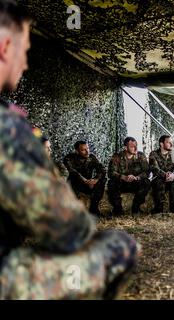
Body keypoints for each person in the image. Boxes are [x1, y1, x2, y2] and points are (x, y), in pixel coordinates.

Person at [0, 1, 139, 299]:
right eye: (24, 51)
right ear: (5, 47)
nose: (24, 64)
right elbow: (65, 227)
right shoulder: (8, 127)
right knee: (119, 247)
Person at [108, 137, 151, 216]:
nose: (135, 148)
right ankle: (118, 210)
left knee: (146, 182)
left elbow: (147, 171)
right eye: (132, 146)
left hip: (135, 183)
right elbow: (110, 172)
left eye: (136, 146)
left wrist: (137, 177)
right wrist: (122, 177)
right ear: (125, 147)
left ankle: (136, 208)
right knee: (111, 183)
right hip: (122, 183)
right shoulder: (117, 156)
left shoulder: (140, 155)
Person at [63, 141, 107, 215]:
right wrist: (84, 180)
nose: (87, 152)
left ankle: (94, 208)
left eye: (87, 148)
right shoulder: (69, 158)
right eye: (83, 150)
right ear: (77, 151)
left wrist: (95, 180)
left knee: (102, 180)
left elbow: (102, 169)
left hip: (88, 184)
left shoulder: (91, 157)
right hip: (75, 184)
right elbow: (72, 171)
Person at [148, 135, 174, 214]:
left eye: (171, 142)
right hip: (160, 178)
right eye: (168, 142)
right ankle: (159, 208)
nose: (171, 144)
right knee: (158, 181)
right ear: (161, 144)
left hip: (172, 178)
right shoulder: (153, 154)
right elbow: (154, 168)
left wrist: (173, 174)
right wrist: (165, 175)